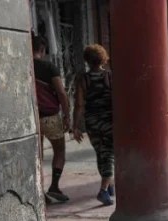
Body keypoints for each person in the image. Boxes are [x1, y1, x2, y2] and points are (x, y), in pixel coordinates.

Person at [72, 44, 115, 206]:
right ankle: (103, 190)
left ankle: (109, 184)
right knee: (109, 153)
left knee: (100, 152)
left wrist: (75, 126)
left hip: (91, 121)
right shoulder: (110, 77)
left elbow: (79, 105)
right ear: (103, 58)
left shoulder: (83, 79)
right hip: (108, 120)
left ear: (87, 60)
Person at [32, 35, 71, 203]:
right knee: (60, 151)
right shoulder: (49, 67)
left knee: (37, 157)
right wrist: (67, 114)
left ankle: (38, 191)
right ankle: (54, 186)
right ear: (42, 50)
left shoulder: (22, 65)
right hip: (50, 117)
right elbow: (61, 93)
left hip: (32, 118)